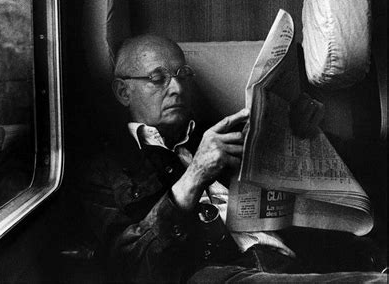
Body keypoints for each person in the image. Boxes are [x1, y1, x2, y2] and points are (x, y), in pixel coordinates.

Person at [78, 34, 386, 283]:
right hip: (215, 272)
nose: (177, 88)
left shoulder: (229, 131)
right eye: (158, 79)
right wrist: (195, 174)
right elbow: (127, 265)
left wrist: (306, 136)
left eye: (183, 75)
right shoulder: (105, 168)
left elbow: (329, 194)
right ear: (123, 92)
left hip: (292, 257)